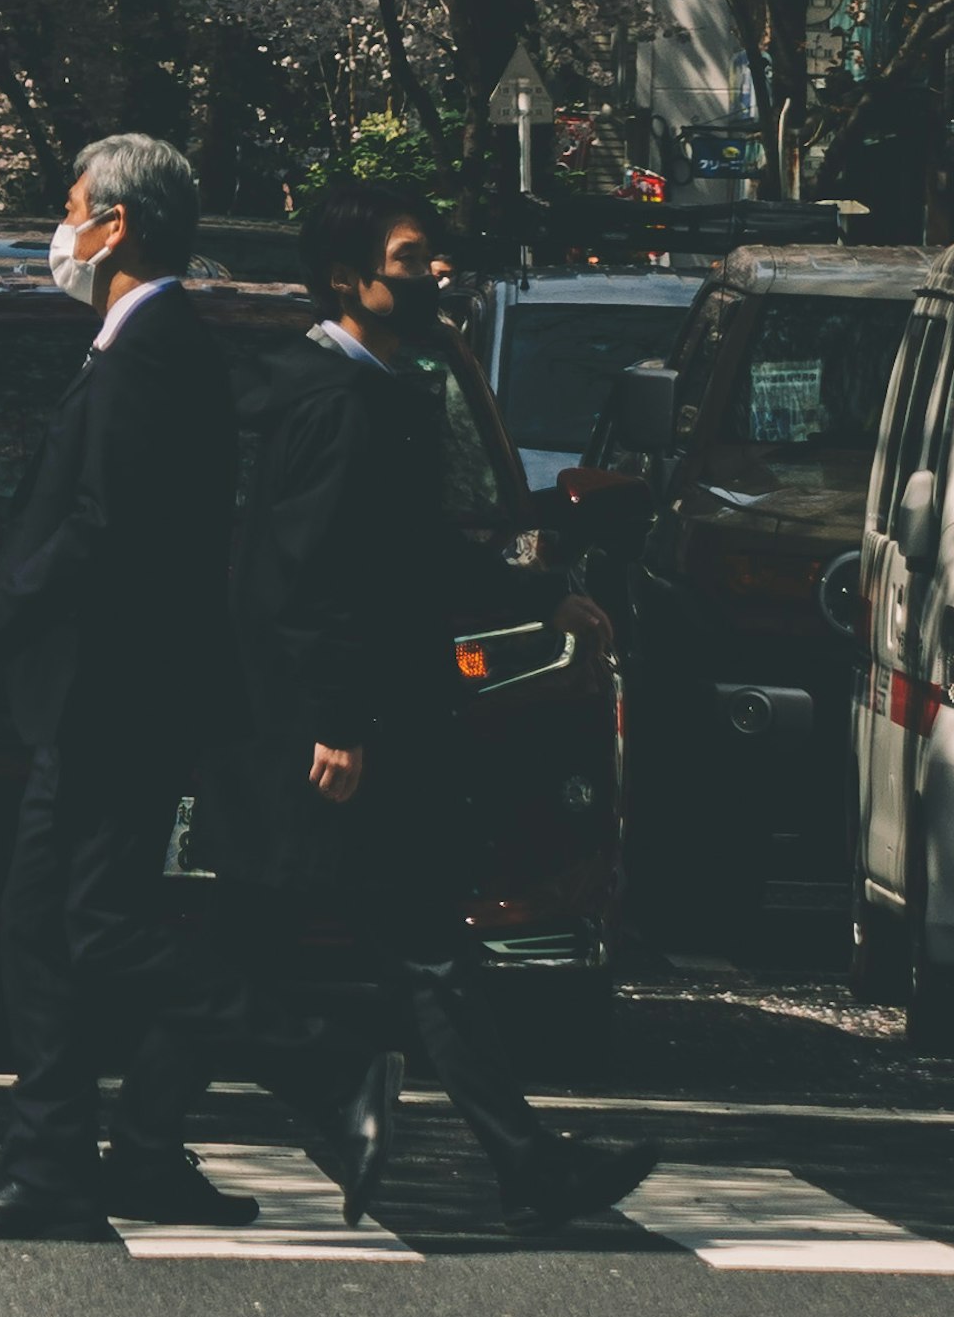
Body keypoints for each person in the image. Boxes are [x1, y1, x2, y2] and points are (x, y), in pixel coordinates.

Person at [233, 181, 655, 1238]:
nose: (433, 276)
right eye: (410, 259)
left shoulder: (375, 387)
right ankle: (343, 1099)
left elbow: (405, 557)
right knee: (299, 939)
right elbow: (314, 573)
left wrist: (531, 588)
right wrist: (337, 718)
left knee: (405, 941)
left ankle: (508, 1155)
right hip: (344, 721)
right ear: (348, 279)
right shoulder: (336, 402)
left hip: (360, 711)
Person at [0, 130, 247, 1241]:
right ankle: (75, 1160)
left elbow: (103, 530)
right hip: (104, 691)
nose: (64, 230)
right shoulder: (132, 342)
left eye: (74, 206)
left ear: (120, 225)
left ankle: (308, 1045)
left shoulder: (153, 350)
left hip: (117, 691)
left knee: (86, 928)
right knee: (48, 928)